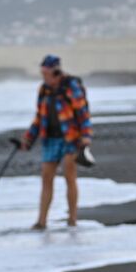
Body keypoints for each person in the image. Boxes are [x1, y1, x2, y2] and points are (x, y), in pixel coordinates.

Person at [20, 55, 92, 229]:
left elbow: (83, 112)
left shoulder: (71, 87)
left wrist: (86, 136)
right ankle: (41, 221)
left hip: (71, 138)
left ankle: (72, 219)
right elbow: (39, 117)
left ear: (56, 71)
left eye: (46, 73)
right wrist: (28, 138)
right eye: (42, 73)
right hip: (49, 139)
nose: (44, 76)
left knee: (69, 177)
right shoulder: (43, 90)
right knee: (46, 178)